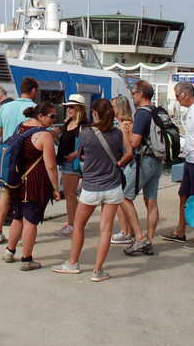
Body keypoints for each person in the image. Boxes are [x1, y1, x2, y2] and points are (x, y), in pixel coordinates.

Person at [52, 99, 126, 281]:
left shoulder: (86, 134)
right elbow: (119, 154)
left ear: (94, 113)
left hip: (91, 187)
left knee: (78, 225)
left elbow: (81, 153)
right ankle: (98, 271)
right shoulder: (117, 134)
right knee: (106, 230)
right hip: (113, 186)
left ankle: (73, 263)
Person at [2, 102, 61, 270]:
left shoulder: (21, 127)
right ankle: (26, 259)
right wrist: (56, 188)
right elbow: (51, 166)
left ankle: (9, 251)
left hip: (18, 180)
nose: (54, 120)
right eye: (52, 116)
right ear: (40, 116)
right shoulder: (44, 136)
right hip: (35, 183)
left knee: (17, 217)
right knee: (30, 222)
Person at [161, 81, 194, 248]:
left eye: (177, 96)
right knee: (183, 194)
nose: (177, 100)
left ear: (186, 94)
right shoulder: (192, 110)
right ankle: (180, 230)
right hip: (190, 160)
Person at [0, 77, 39, 243]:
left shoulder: (5, 107)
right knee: (24, 196)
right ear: (33, 91)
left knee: (5, 193)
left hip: (8, 157)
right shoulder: (34, 108)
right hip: (27, 159)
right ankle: (20, 234)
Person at [122, 80, 162, 256]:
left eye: (134, 92)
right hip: (158, 160)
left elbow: (135, 142)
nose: (133, 96)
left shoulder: (141, 114)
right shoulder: (158, 111)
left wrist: (127, 131)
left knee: (122, 196)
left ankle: (139, 238)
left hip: (144, 160)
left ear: (141, 94)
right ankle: (149, 241)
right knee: (151, 201)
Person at [53, 94, 90, 237]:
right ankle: (74, 223)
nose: (68, 109)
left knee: (70, 195)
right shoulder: (68, 123)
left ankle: (72, 224)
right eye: (68, 107)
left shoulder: (84, 126)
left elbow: (87, 145)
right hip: (66, 163)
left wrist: (74, 154)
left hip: (74, 163)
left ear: (79, 108)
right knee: (71, 195)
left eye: (71, 107)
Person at [109, 95, 138, 245]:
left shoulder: (122, 126)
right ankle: (130, 230)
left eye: (113, 106)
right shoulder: (131, 123)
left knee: (121, 200)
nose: (111, 109)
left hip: (126, 166)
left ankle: (125, 231)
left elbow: (129, 151)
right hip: (133, 165)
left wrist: (118, 164)